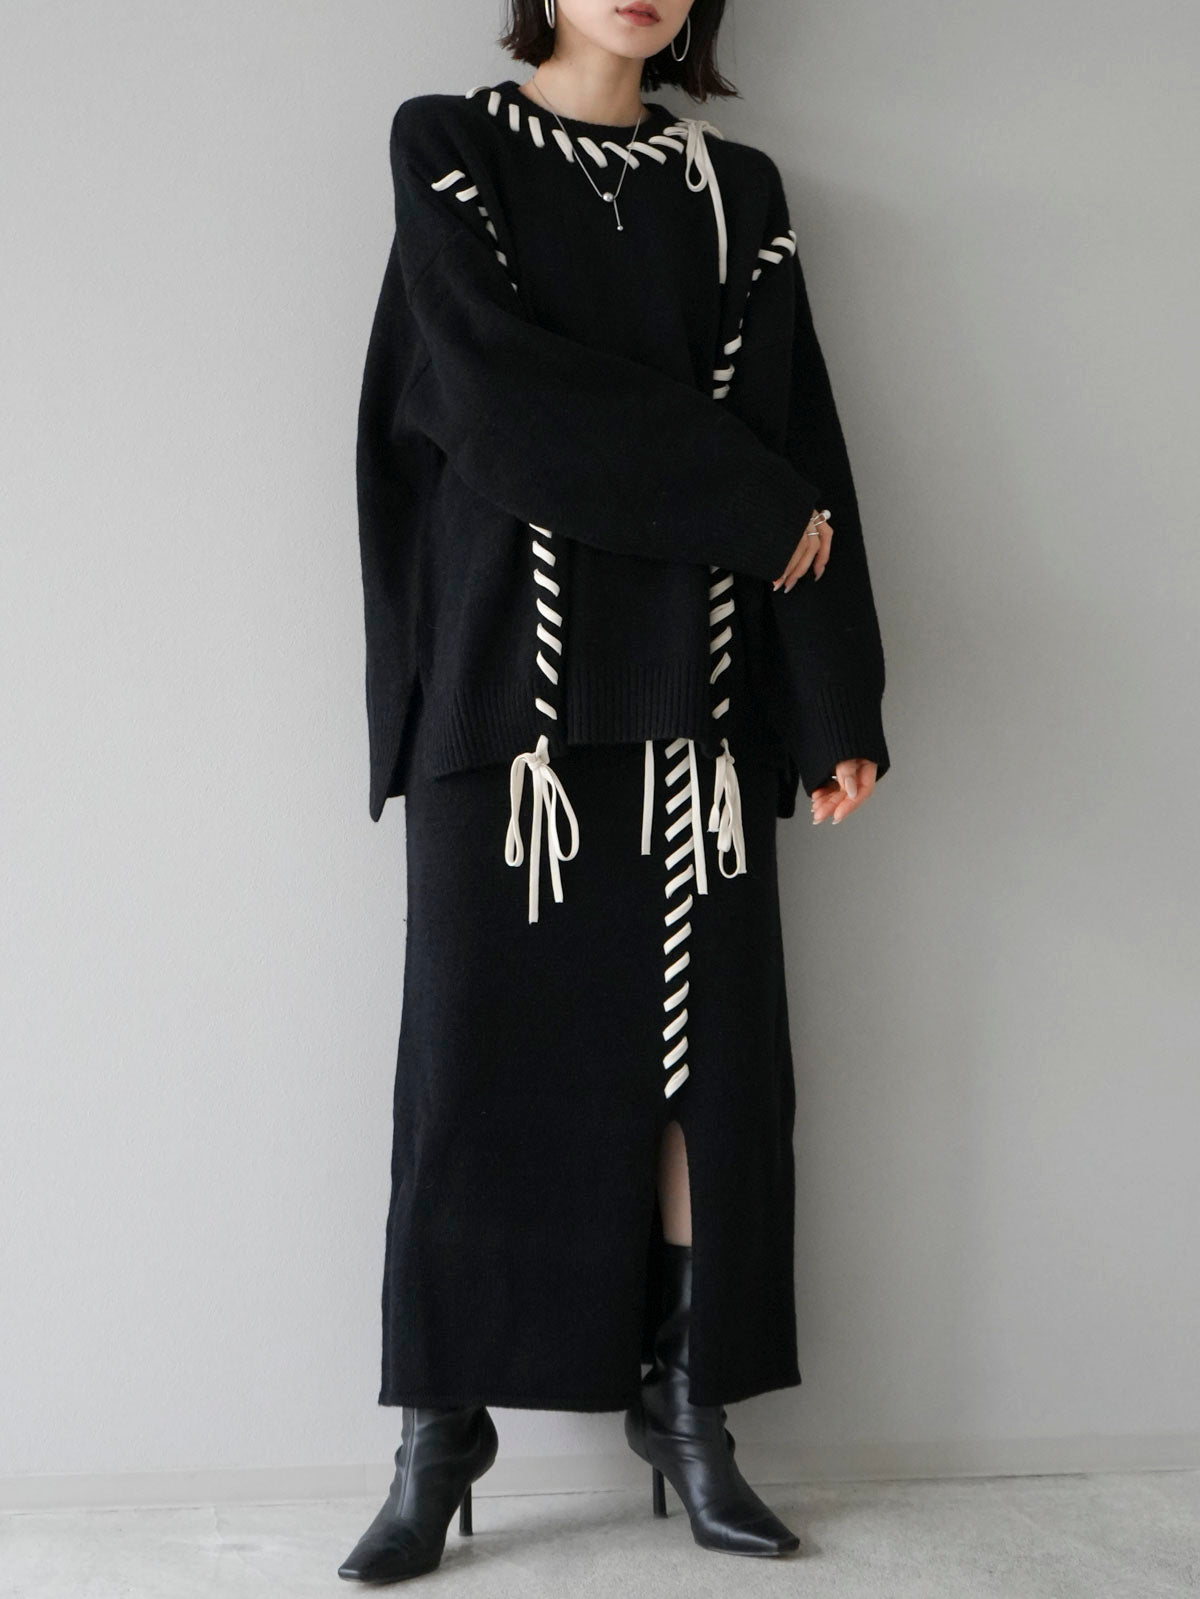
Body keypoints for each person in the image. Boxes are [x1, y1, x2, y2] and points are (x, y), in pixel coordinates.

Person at [341, 0, 891, 1582]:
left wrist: (833, 698)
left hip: (697, 697)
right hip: (503, 695)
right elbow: (492, 399)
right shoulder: (450, 147)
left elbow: (802, 443)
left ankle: (687, 1403)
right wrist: (745, 503)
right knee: (472, 1061)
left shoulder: (737, 190)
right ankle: (440, 1434)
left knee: (702, 1067)